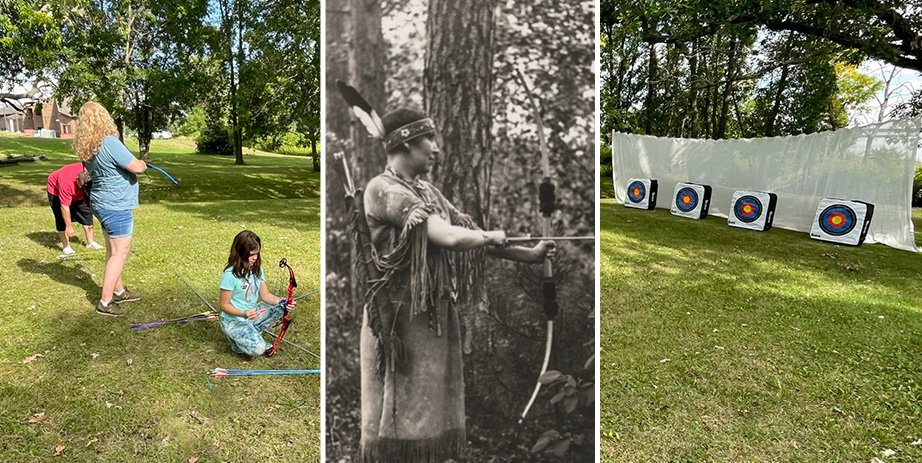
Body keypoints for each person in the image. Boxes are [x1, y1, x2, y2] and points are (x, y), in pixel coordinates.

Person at [358, 109, 555, 462]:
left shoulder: (427, 192)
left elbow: (466, 231)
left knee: (430, 415)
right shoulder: (382, 189)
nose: (436, 149)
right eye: (429, 140)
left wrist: (532, 254)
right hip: (398, 320)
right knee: (400, 420)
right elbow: (447, 236)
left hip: (433, 315)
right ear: (406, 142)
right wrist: (486, 235)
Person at [74, 102, 147, 316]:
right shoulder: (109, 143)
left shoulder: (87, 147)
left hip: (101, 203)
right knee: (119, 253)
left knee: (112, 250)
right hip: (115, 205)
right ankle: (105, 302)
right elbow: (136, 167)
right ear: (103, 118)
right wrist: (142, 164)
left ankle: (119, 290)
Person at [218, 230, 296, 356]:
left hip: (252, 314)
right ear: (240, 254)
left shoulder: (257, 270)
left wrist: (285, 302)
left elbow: (266, 296)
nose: (255, 257)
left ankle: (251, 333)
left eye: (257, 253)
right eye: (251, 254)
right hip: (234, 321)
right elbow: (224, 305)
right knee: (259, 349)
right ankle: (237, 342)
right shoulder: (229, 275)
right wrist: (243, 313)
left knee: (280, 307)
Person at [46, 162, 103, 254]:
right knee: (61, 218)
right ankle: (66, 246)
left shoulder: (92, 172)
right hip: (55, 189)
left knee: (86, 212)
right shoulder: (67, 183)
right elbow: (64, 207)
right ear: (77, 180)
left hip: (79, 188)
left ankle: (90, 242)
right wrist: (69, 227)